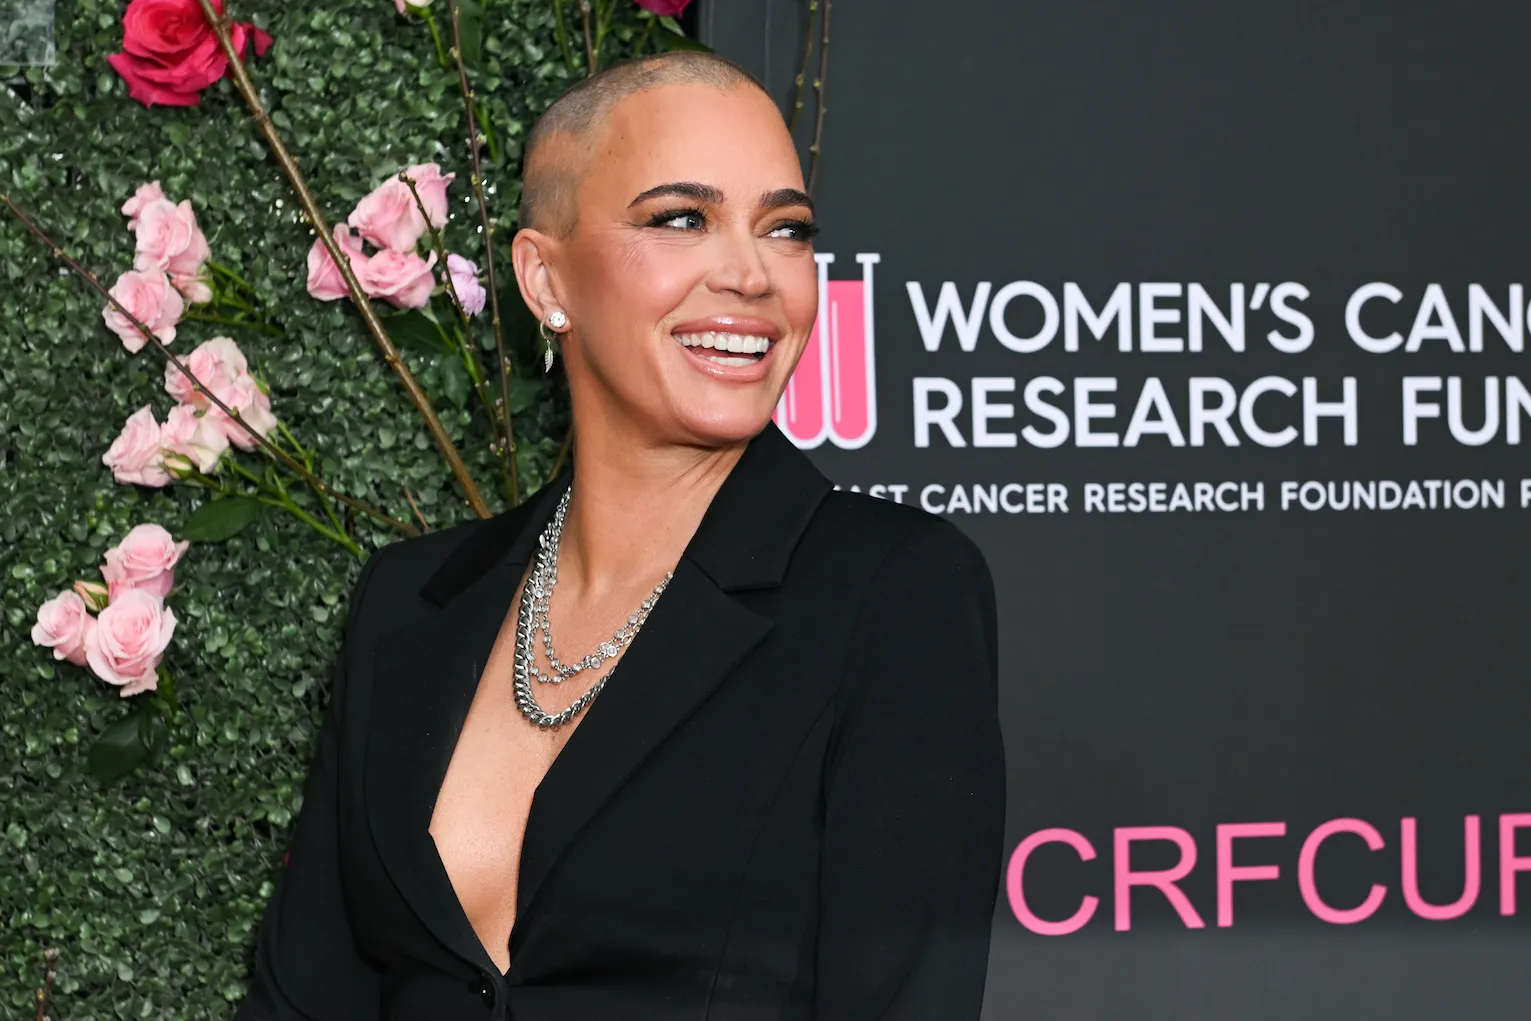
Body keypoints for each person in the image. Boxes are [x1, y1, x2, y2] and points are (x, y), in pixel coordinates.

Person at [235, 50, 1006, 1021]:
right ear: (543, 276)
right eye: (680, 218)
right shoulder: (410, 603)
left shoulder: (890, 593)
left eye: (786, 229)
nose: (750, 273)